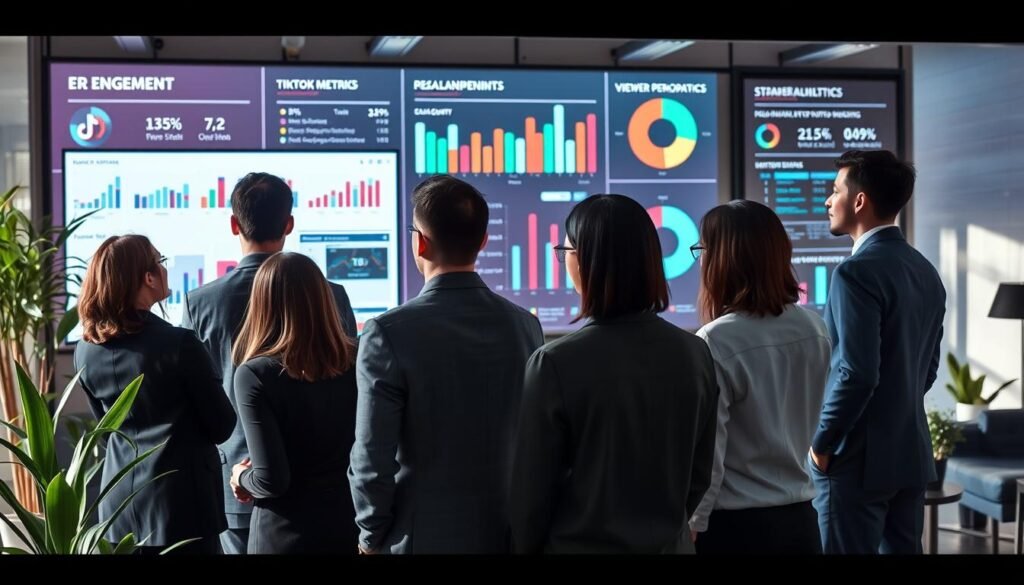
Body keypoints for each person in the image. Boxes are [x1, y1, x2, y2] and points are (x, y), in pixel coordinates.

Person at [508, 194, 718, 554]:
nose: (564, 262)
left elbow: (531, 498)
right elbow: (699, 477)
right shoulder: (695, 352)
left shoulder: (554, 364)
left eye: (566, 250)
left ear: (588, 260)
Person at [348, 175, 544, 554]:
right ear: (483, 242)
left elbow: (372, 456)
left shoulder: (386, 332)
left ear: (419, 242)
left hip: (420, 538)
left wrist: (370, 535)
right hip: (508, 534)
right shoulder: (526, 326)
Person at [181, 172, 357, 555]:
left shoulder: (201, 303)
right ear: (289, 224)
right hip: (331, 488)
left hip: (241, 484)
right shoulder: (333, 295)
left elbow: (195, 398)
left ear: (233, 224)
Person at [810, 150, 946, 554]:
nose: (827, 201)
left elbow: (857, 373)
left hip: (855, 459)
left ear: (859, 201)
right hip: (909, 452)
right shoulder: (925, 270)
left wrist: (822, 444)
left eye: (834, 191)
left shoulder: (855, 273)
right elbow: (928, 369)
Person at [74, 235, 235, 554]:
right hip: (182, 508)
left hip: (119, 509)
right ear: (147, 277)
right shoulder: (180, 345)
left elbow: (108, 432)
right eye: (161, 263)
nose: (165, 270)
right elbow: (222, 425)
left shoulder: (84, 351)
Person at [687, 200, 830, 555]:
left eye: (703, 250)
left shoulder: (716, 339)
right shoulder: (814, 326)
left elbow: (711, 455)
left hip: (736, 530)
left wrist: (692, 525)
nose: (701, 261)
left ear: (724, 258)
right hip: (801, 522)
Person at [228, 252, 359, 554]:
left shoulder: (255, 374)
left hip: (285, 536)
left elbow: (272, 480)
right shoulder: (360, 358)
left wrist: (241, 477)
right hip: (350, 526)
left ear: (261, 304)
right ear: (324, 299)